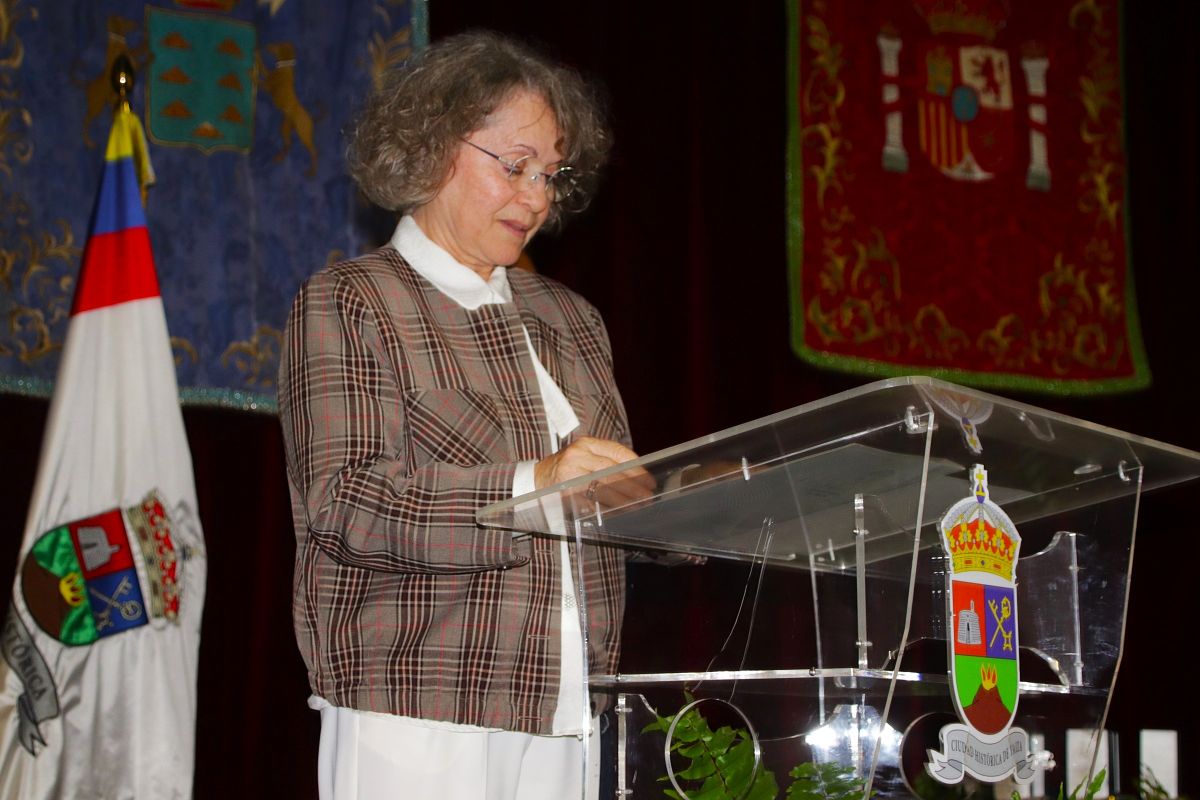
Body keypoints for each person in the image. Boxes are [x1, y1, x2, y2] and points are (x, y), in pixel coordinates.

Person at [277, 30, 651, 800]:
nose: (540, 198)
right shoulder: (352, 299)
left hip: (569, 710)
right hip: (417, 712)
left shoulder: (573, 320)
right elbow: (346, 504)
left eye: (551, 175)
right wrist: (537, 482)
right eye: (516, 167)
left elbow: (616, 503)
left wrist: (669, 504)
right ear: (434, 146)